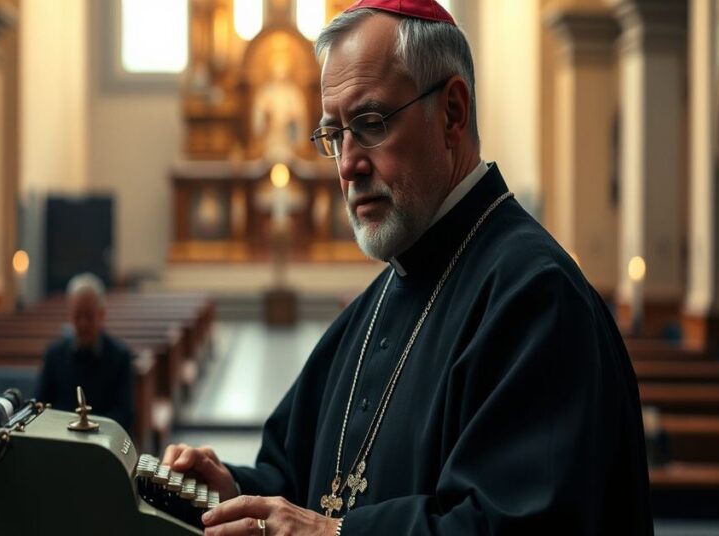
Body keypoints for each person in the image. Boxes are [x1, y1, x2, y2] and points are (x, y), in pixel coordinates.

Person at [163, 1, 653, 534]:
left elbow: (519, 526)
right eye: (335, 134)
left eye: (370, 124)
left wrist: (334, 535)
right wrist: (234, 491)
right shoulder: (378, 301)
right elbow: (297, 474)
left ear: (452, 113)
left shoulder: (537, 297)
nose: (348, 163)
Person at [36, 273, 134, 433]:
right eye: (77, 315)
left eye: (89, 316)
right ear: (69, 316)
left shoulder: (120, 355)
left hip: (104, 442)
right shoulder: (54, 354)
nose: (83, 323)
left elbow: (125, 413)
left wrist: (91, 429)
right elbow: (41, 405)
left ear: (102, 315)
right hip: (62, 439)